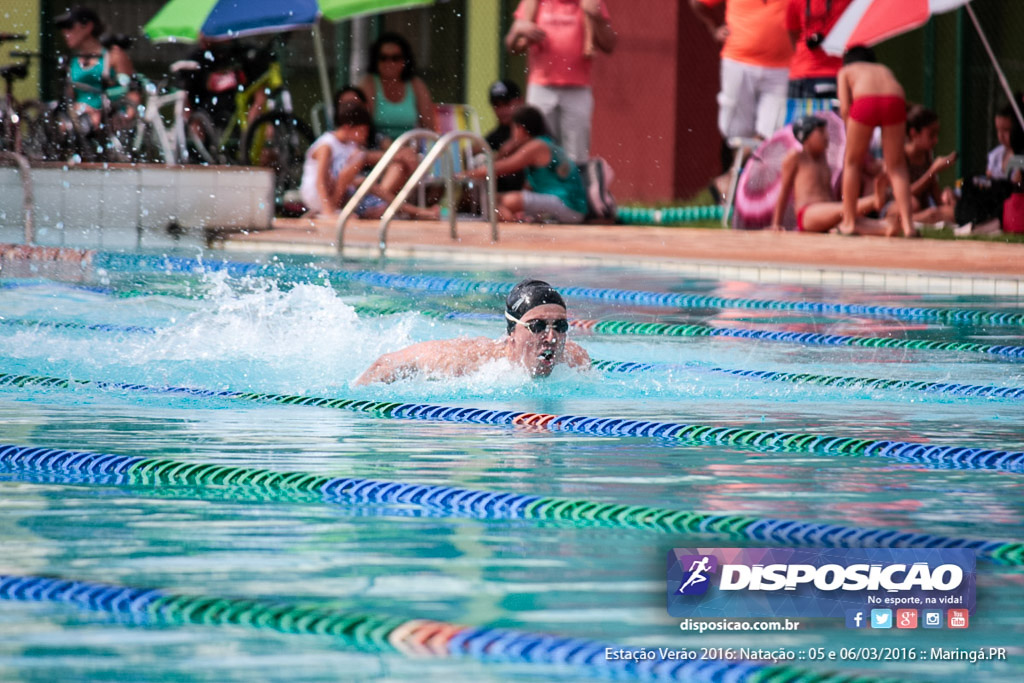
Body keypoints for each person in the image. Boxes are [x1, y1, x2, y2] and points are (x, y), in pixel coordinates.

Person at [355, 279, 590, 385]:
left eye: (559, 327)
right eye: (537, 326)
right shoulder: (468, 362)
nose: (551, 338)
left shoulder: (575, 360)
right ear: (512, 333)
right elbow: (383, 364)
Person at [690, 0, 792, 201]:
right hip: (739, 60)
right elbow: (697, 3)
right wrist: (714, 28)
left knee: (773, 134)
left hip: (781, 67)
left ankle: (732, 182)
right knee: (735, 132)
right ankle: (738, 191)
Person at [505, 0, 616, 165]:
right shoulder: (534, 3)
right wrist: (518, 30)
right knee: (539, 146)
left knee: (576, 155)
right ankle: (541, 189)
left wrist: (597, 17)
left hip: (577, 88)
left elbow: (609, 45)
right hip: (542, 86)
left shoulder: (589, 2)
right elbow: (512, 47)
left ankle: (574, 189)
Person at [298, 101, 438, 220]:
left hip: (337, 193)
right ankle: (329, 210)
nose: (366, 136)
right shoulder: (326, 145)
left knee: (367, 185)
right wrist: (329, 212)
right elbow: (320, 181)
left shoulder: (350, 144)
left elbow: (371, 157)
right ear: (348, 127)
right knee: (357, 168)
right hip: (319, 196)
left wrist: (400, 155)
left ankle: (413, 211)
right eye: (363, 131)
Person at [459, 105, 588, 223]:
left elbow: (499, 168)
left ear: (520, 129)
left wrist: (464, 174)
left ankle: (513, 226)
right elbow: (529, 187)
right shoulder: (545, 143)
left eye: (513, 129)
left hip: (568, 207)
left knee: (504, 201)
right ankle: (517, 221)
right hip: (570, 207)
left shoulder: (536, 146)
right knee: (493, 199)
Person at [836, 45, 914, 237]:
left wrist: (852, 132)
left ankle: (849, 222)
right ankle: (909, 226)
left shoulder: (846, 71)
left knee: (852, 162)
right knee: (897, 166)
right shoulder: (883, 69)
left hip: (865, 101)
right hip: (895, 100)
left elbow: (845, 108)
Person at [770, 116, 892, 234]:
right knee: (845, 209)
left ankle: (885, 227)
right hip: (808, 214)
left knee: (851, 221)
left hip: (828, 211)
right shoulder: (796, 157)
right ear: (806, 136)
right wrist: (776, 223)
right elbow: (784, 192)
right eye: (821, 132)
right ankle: (874, 200)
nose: (827, 136)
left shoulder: (823, 159)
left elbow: (828, 190)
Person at [55, 6, 135, 129]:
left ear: (87, 27)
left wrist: (127, 117)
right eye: (63, 29)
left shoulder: (113, 55)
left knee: (94, 120)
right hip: (82, 120)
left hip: (110, 121)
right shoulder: (73, 61)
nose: (65, 33)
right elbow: (70, 98)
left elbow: (133, 91)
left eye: (69, 26)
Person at [358, 33, 436, 147]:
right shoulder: (368, 83)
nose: (389, 63)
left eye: (395, 58)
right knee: (398, 164)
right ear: (375, 60)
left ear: (405, 60)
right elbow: (364, 127)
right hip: (377, 148)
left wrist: (415, 144)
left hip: (410, 147)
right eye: (383, 58)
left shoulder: (416, 85)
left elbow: (429, 126)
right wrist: (385, 143)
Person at [785, 0, 853, 99]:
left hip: (816, 71)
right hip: (812, 72)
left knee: (802, 114)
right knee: (837, 114)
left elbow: (793, 34)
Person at [903, 105, 957, 226]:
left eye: (937, 134)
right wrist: (932, 171)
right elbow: (904, 193)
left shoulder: (927, 155)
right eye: (931, 135)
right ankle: (901, 222)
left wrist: (945, 200)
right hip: (900, 206)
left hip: (923, 208)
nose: (936, 140)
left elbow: (933, 188)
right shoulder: (901, 155)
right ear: (914, 133)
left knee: (951, 211)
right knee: (913, 204)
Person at [481, 79, 526, 192]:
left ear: (520, 101)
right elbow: (471, 150)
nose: (502, 110)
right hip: (503, 195)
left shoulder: (532, 128)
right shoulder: (497, 134)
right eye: (496, 105)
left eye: (506, 104)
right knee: (479, 160)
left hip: (527, 194)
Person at [987, 103, 1017, 179]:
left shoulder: (1020, 156)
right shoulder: (995, 155)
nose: (1001, 135)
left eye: (1006, 130)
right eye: (998, 130)